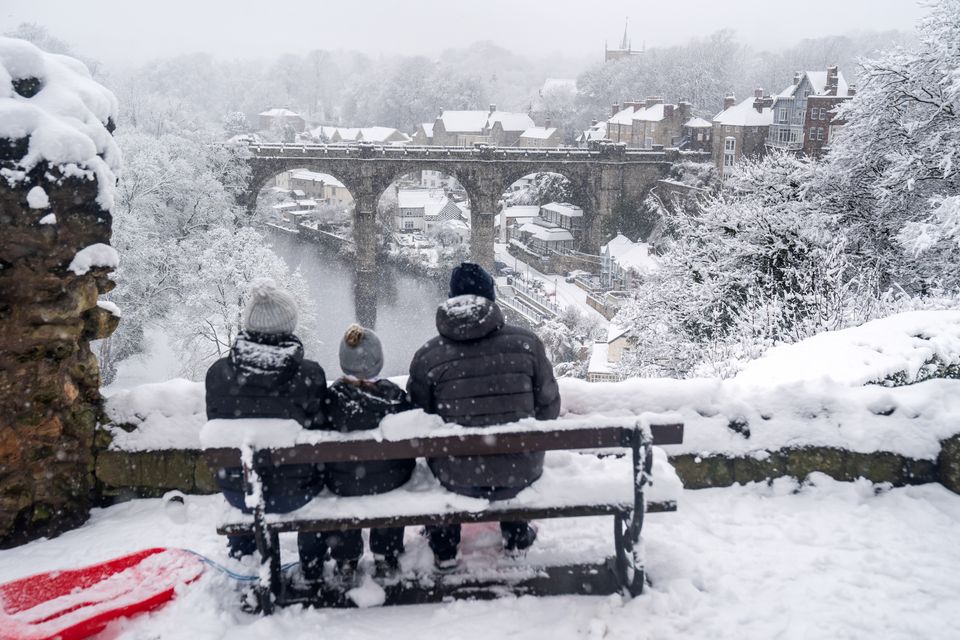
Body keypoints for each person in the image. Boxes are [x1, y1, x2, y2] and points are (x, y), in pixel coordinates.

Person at [407, 263, 561, 571]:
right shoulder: (527, 344)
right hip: (520, 468)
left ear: (451, 299)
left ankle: (445, 547)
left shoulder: (429, 355)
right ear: (492, 298)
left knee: (444, 463)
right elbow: (549, 408)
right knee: (511, 460)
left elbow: (418, 419)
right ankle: (516, 537)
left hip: (456, 474)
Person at [205, 278, 328, 579]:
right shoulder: (308, 374)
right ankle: (311, 563)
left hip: (242, 493)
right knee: (319, 475)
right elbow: (322, 429)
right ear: (289, 325)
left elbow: (218, 425)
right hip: (298, 490)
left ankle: (243, 555)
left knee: (243, 473)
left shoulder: (218, 375)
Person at [321, 324, 415, 582]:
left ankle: (346, 557)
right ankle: (386, 554)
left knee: (347, 482)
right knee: (384, 477)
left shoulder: (329, 400)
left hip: (342, 481)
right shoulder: (395, 398)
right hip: (390, 479)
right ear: (379, 362)